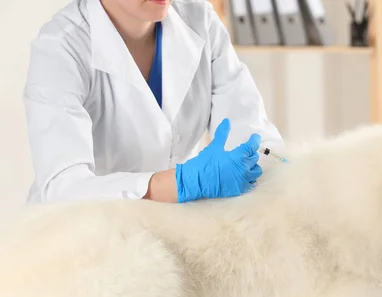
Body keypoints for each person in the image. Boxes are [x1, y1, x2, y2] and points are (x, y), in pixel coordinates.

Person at [23, 0, 284, 204]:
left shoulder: (200, 21)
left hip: (175, 233)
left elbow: (255, 138)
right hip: (81, 243)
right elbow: (63, 189)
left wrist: (264, 164)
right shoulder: (60, 47)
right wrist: (179, 184)